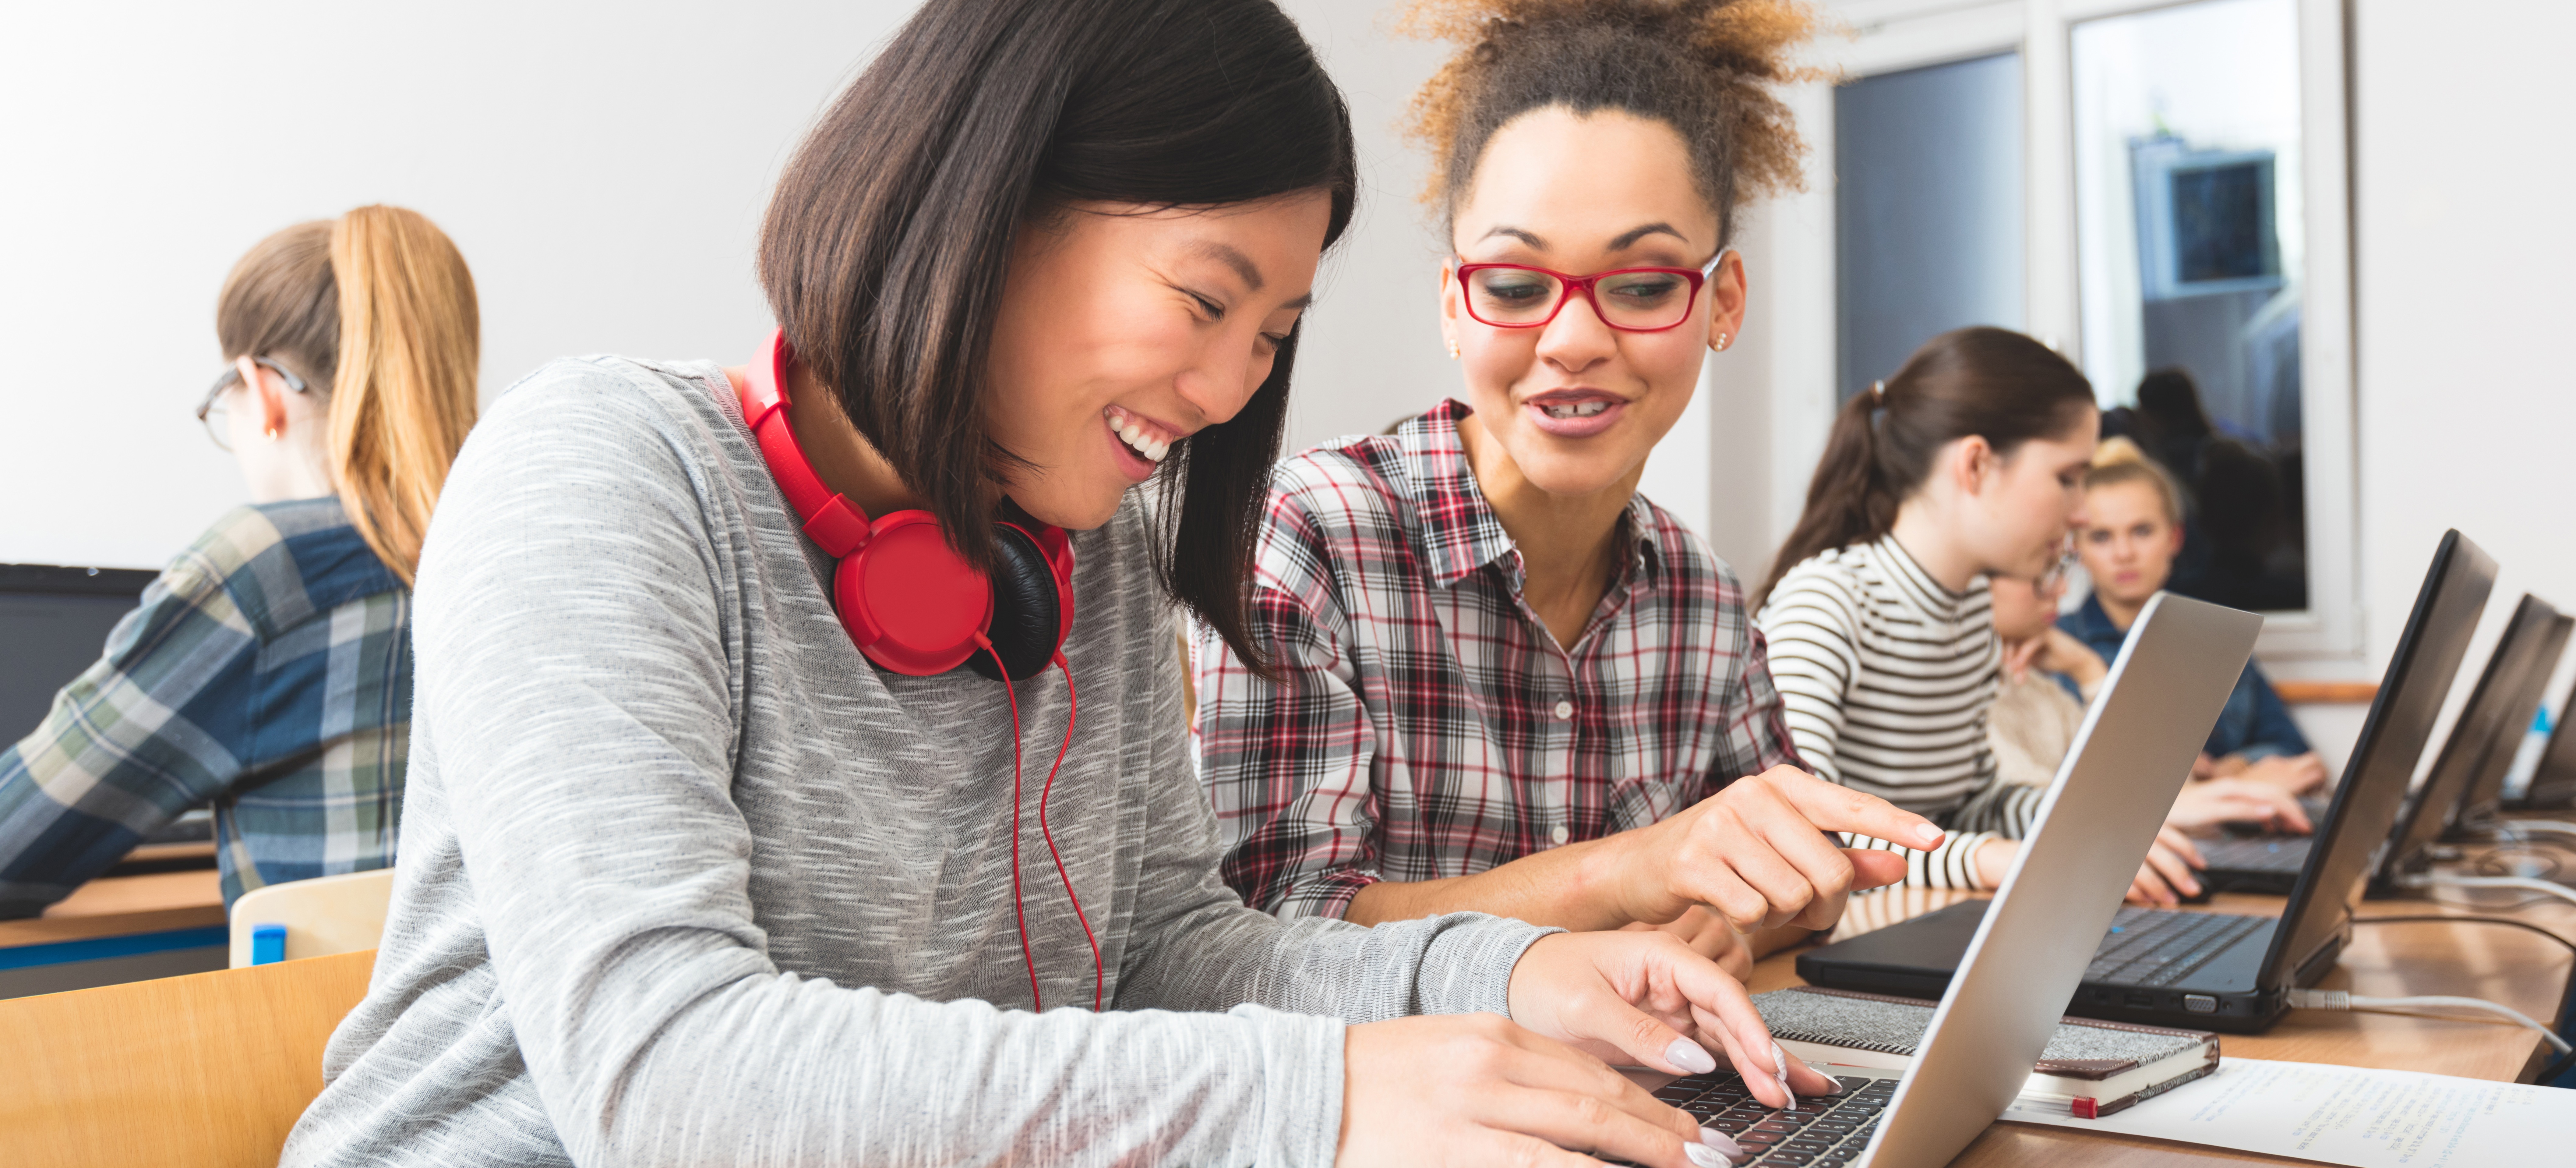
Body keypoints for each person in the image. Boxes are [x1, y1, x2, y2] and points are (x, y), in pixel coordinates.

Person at [280, 5, 1834, 1167]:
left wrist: (1513, 972)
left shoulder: (1087, 558)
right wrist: (1331, 1093)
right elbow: (669, 1074)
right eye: (1206, 300)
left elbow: (1172, 951)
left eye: (1271, 332)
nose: (1228, 389)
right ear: (987, 206)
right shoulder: (600, 470)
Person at [1192, 0, 1944, 980]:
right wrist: (1627, 874)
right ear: (1455, 306)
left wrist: (1733, 923)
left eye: (1643, 286)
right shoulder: (1310, 534)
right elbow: (1271, 932)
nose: (1574, 340)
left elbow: (1808, 879)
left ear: (1721, 303)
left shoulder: (1700, 600)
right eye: (1514, 286)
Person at [0, 206, 477, 917]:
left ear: (264, 391)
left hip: (332, 996)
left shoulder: (266, 569)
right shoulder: (509, 544)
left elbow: (16, 841)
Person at [1754, 327, 2209, 905]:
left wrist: (2092, 831)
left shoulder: (1969, 609)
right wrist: (1988, 857)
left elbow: (1972, 803)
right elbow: (1800, 829)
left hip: (1924, 913)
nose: (2081, 512)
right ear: (1975, 465)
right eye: (2067, 479)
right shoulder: (1828, 601)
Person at [2065, 438, 2330, 794]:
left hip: (2230, 823)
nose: (2124, 553)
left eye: (2142, 531)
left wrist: (2232, 769)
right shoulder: (2058, 651)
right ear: (2076, 547)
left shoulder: (2216, 640)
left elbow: (2298, 756)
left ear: (2174, 539)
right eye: (2101, 537)